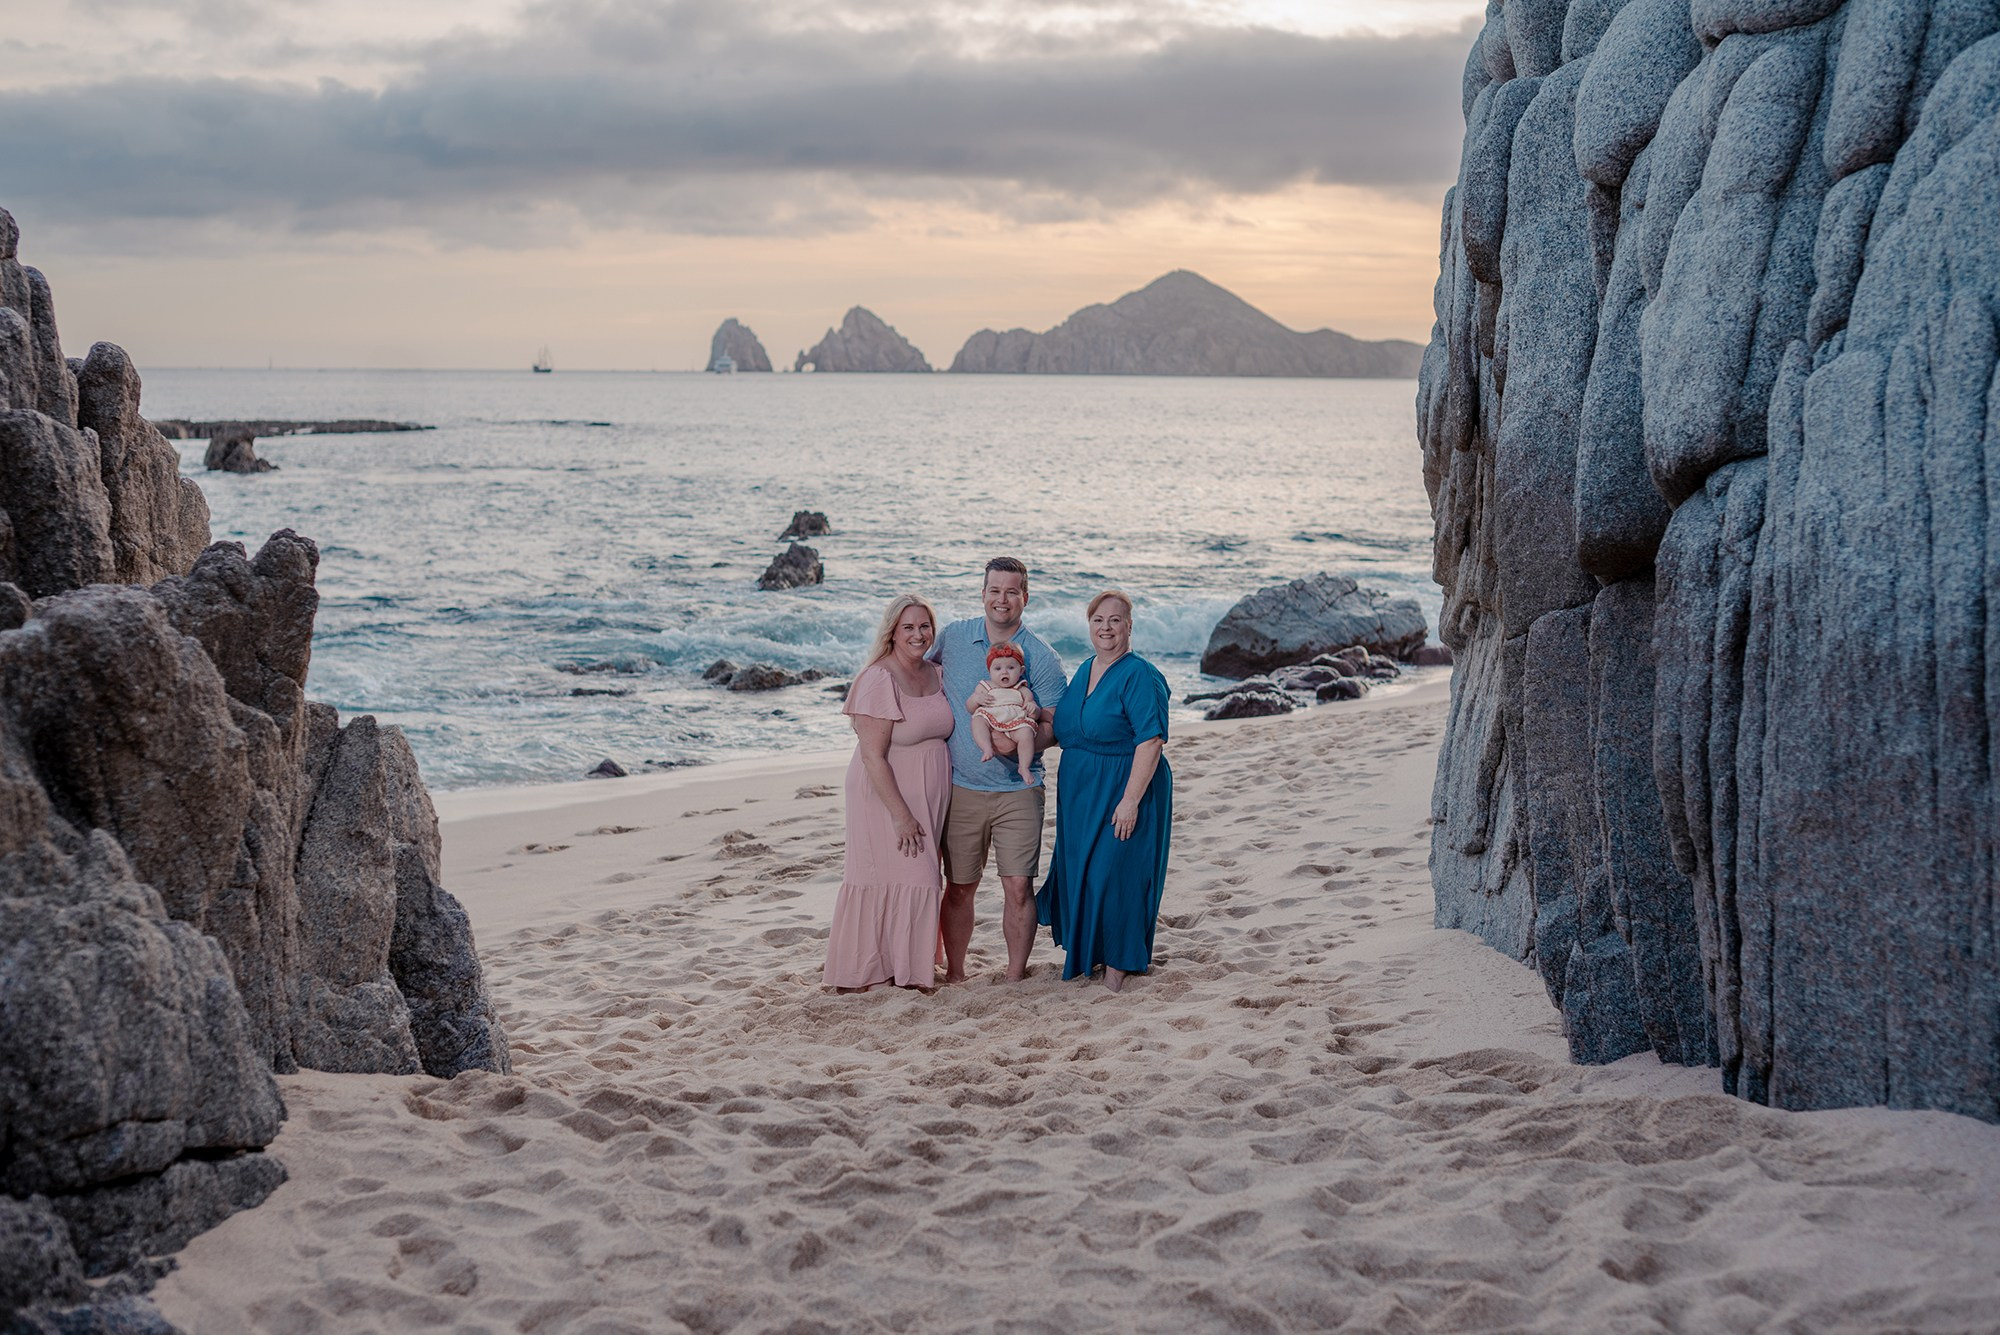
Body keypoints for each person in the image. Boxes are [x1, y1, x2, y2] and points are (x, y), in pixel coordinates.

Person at [930, 556, 1068, 982]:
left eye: (1012, 591)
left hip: (1019, 792)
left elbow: (1056, 727)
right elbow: (914, 672)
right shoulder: (953, 638)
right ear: (983, 593)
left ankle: (1013, 976)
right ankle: (955, 973)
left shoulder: (1041, 657)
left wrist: (1014, 746)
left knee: (1018, 888)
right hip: (961, 787)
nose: (1002, 599)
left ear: (1025, 597)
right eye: (995, 590)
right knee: (959, 887)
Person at [1036, 590, 1172, 992]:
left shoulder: (1140, 674)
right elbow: (1067, 727)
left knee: (1117, 875)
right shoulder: (1085, 670)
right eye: (1098, 620)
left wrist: (1130, 800)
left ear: (1130, 626)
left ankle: (1119, 964)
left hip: (1123, 789)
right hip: (1081, 796)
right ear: (1089, 624)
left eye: (1116, 620)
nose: (1106, 628)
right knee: (1086, 874)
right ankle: (1095, 954)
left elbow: (1150, 741)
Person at [822, 594, 954, 991]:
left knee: (920, 877)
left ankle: (904, 967)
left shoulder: (936, 672)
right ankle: (866, 973)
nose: (918, 634)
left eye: (925, 626)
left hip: (927, 793)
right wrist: (902, 815)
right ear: (893, 633)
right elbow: (872, 756)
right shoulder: (879, 678)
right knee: (905, 875)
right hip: (885, 794)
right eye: (908, 627)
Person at [969, 642, 1040, 786]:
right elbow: (970, 707)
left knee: (1026, 733)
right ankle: (986, 747)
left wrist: (1033, 708)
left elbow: (1034, 715)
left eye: (1011, 667)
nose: (1004, 672)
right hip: (991, 717)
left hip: (1014, 724)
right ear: (990, 671)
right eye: (998, 668)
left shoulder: (1022, 689)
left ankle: (1024, 767)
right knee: (977, 720)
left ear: (1021, 671)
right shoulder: (985, 686)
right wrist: (976, 699)